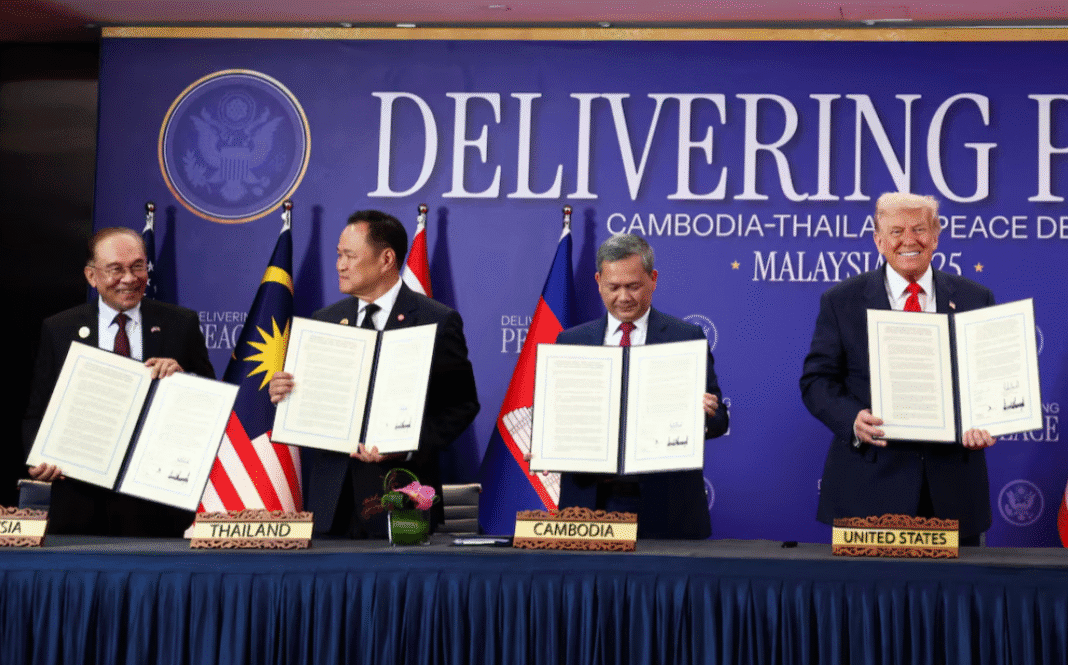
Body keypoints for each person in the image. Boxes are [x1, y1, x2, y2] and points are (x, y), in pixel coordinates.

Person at [800, 192, 996, 545]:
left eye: (919, 229)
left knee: (953, 585)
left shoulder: (975, 298)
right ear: (879, 240)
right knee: (867, 586)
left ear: (935, 236)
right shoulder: (841, 301)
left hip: (952, 492)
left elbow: (989, 380)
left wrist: (989, 418)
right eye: (896, 231)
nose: (909, 240)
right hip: (868, 489)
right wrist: (852, 419)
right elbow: (817, 380)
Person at [269, 210, 479, 538]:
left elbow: (461, 406)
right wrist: (286, 392)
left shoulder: (435, 320)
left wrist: (405, 446)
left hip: (402, 497)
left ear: (386, 259)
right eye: (338, 255)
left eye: (350, 256)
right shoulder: (324, 320)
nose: (340, 265)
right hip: (331, 505)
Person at [23, 226, 215, 536]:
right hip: (78, 499)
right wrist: (38, 458)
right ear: (91, 276)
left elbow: (210, 403)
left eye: (138, 266)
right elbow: (38, 411)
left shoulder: (181, 324)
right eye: (116, 269)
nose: (129, 278)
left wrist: (182, 378)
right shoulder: (59, 328)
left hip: (155, 501)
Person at [554, 233, 728, 539]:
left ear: (653, 279)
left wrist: (703, 415)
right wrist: (547, 444)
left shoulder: (685, 337)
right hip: (590, 503)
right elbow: (560, 418)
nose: (623, 297)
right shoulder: (570, 342)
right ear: (598, 281)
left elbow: (719, 420)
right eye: (614, 287)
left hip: (666, 507)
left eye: (633, 286)